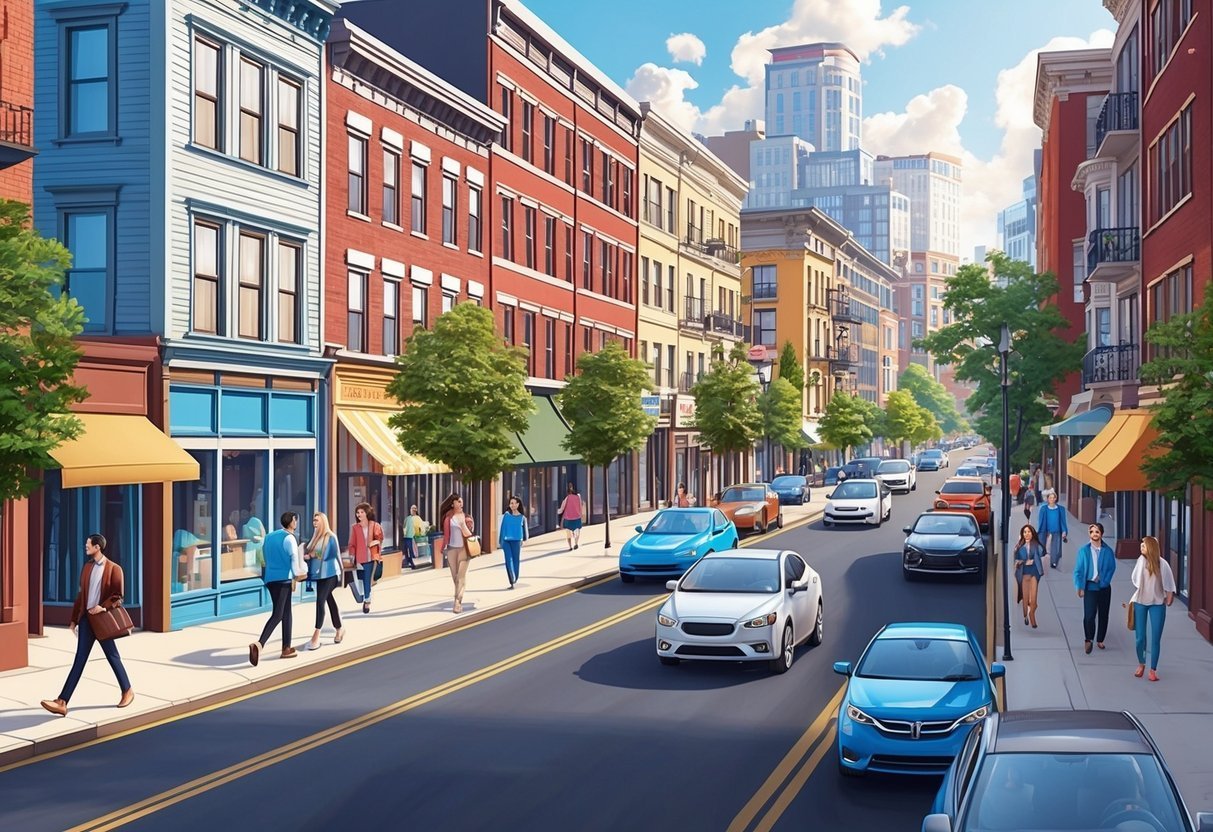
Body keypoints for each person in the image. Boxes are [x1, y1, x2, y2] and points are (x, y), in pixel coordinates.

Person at [40, 534, 133, 717]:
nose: (86, 547)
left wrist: (102, 607)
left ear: (97, 547)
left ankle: (127, 690)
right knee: (80, 659)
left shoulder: (114, 569)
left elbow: (118, 596)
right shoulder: (87, 567)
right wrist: (74, 619)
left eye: (88, 545)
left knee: (112, 656)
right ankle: (62, 702)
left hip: (102, 620)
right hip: (86, 620)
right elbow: (81, 595)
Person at [248, 512, 307, 666]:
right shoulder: (290, 538)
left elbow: (264, 557)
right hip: (283, 579)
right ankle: (259, 645)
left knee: (286, 612)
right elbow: (294, 560)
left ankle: (286, 648)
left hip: (270, 579)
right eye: (296, 520)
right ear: (293, 521)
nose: (296, 523)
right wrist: (299, 575)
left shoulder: (269, 537)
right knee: (278, 614)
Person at [1131, 535, 1176, 682]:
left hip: (1157, 603)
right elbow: (1136, 580)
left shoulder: (1163, 564)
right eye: (1141, 545)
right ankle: (1141, 663)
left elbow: (1169, 583)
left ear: (1151, 547)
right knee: (1140, 638)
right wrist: (1144, 561)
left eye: (1144, 545)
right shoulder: (1140, 561)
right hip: (1140, 602)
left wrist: (1169, 597)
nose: (1141, 547)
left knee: (1155, 638)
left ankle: (1153, 670)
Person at [1073, 522, 1116, 654]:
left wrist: (1104, 580)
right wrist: (1079, 586)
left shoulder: (1107, 551)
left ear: (1101, 534)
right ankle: (1088, 639)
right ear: (1089, 534)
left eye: (1097, 532)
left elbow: (1111, 568)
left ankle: (1100, 639)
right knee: (1089, 615)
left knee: (1103, 614)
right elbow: (1078, 571)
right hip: (1090, 586)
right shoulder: (1084, 551)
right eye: (1092, 532)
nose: (1094, 534)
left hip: (1104, 587)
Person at [304, 512, 345, 651]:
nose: (314, 523)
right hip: (318, 575)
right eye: (313, 520)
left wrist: (312, 555)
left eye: (317, 520)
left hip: (330, 575)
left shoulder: (330, 537)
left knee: (320, 601)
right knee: (329, 600)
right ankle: (339, 628)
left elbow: (328, 555)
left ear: (323, 521)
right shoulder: (315, 537)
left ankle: (316, 635)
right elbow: (309, 551)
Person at [439, 492, 474, 613]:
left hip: (464, 549)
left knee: (461, 576)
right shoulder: (448, 517)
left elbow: (469, 534)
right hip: (451, 549)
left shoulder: (467, 517)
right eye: (458, 501)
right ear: (452, 503)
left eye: (461, 501)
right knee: (455, 578)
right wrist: (443, 548)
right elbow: (446, 535)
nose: (461, 503)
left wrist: (462, 523)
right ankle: (459, 593)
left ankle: (457, 602)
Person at [348, 502, 383, 615]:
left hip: (371, 558)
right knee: (361, 580)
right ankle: (363, 597)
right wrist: (352, 555)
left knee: (367, 580)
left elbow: (380, 539)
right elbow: (352, 544)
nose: (359, 514)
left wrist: (373, 542)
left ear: (367, 513)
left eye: (362, 512)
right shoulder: (355, 528)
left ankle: (367, 601)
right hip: (359, 558)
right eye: (358, 512)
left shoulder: (374, 525)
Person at [1013, 524, 1045, 628]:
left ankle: (1032, 615)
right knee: (1025, 597)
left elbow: (1042, 552)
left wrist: (1038, 542)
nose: (1027, 534)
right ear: (1022, 534)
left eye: (1029, 532)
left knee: (1034, 598)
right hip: (1024, 573)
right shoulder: (1019, 547)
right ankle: (1025, 614)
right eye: (1025, 532)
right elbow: (1015, 562)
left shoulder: (1036, 545)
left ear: (1032, 533)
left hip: (1034, 572)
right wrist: (1022, 561)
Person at [498, 495, 528, 589]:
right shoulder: (506, 515)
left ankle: (515, 579)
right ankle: (512, 579)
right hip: (506, 541)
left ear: (518, 504)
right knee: (508, 560)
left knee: (516, 560)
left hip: (517, 541)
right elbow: (502, 528)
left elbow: (525, 532)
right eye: (511, 503)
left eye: (515, 503)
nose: (513, 505)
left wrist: (523, 539)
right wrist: (501, 541)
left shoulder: (522, 517)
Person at [1037, 491, 1069, 570]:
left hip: (1056, 530)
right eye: (1050, 498)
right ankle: (1042, 553)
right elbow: (1040, 520)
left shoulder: (1060, 509)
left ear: (1055, 498)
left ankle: (1053, 562)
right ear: (1047, 499)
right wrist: (1039, 530)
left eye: (1053, 498)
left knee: (1055, 547)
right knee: (1042, 544)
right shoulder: (1044, 509)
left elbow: (1063, 521)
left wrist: (1064, 531)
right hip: (1045, 529)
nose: (1051, 499)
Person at [558, 483, 584, 550]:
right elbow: (581, 506)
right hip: (577, 518)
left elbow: (562, 509)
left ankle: (570, 547)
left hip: (568, 519)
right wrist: (581, 514)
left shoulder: (567, 498)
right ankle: (576, 543)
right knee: (577, 532)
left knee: (568, 534)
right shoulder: (578, 497)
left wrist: (557, 511)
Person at [401, 504, 422, 570]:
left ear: (416, 510)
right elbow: (404, 527)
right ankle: (409, 562)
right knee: (407, 551)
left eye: (414, 508)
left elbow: (420, 528)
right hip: (407, 537)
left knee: (411, 551)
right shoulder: (407, 518)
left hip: (412, 537)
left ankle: (412, 563)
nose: (413, 510)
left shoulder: (417, 518)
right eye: (412, 508)